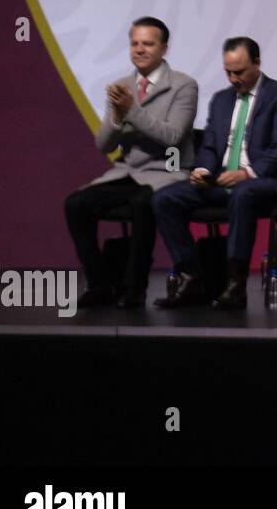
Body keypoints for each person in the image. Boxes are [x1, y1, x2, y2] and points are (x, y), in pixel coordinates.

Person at [66, 17, 198, 308]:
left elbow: (173, 137)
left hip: (168, 170)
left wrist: (131, 111)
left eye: (148, 43)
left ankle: (134, 288)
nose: (139, 49)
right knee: (75, 204)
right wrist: (115, 117)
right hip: (131, 171)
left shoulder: (183, 85)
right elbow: (105, 145)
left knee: (143, 204)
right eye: (135, 43)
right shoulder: (122, 86)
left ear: (164, 48)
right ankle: (100, 284)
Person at [153, 37, 277, 309]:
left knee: (244, 192)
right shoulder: (220, 100)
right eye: (227, 72)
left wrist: (247, 172)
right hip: (219, 181)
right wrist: (203, 169)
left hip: (262, 183)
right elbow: (209, 145)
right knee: (164, 199)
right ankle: (192, 276)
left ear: (257, 63)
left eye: (239, 71)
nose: (233, 78)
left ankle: (235, 283)